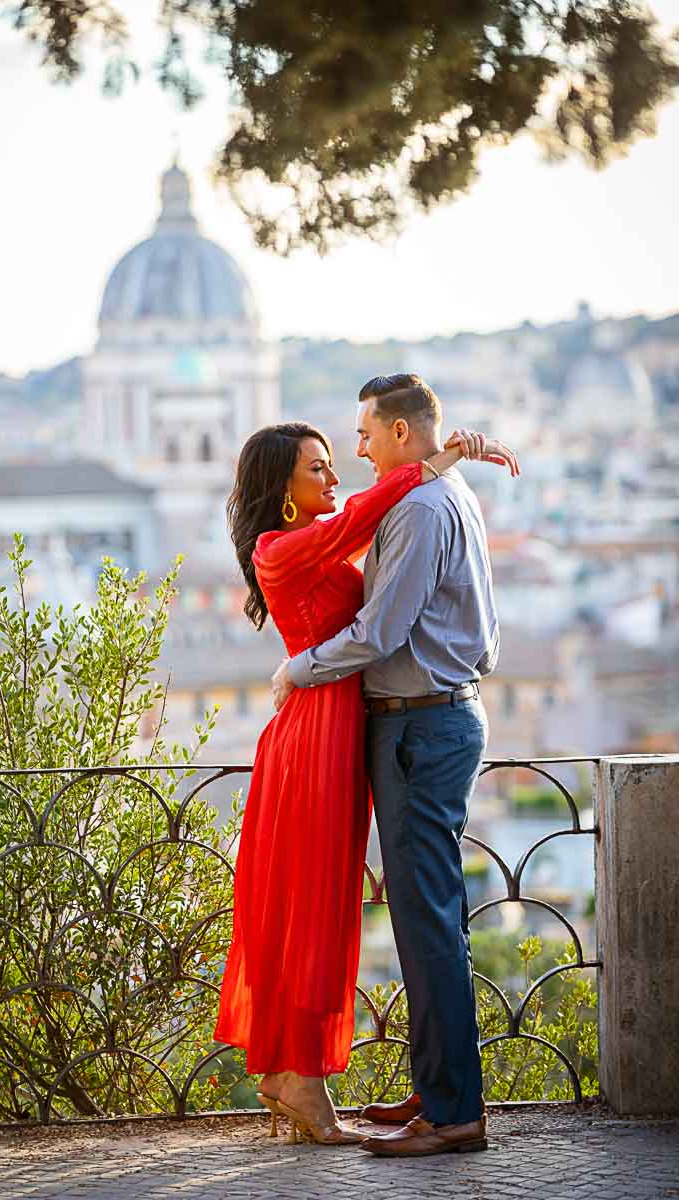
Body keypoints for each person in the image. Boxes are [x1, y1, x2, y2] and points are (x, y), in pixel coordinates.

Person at [215, 404, 518, 1147]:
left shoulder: (316, 537)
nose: (337, 469)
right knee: (315, 910)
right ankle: (302, 1079)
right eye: (317, 466)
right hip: (314, 737)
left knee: (332, 910)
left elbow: (369, 510)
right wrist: (444, 457)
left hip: (344, 730)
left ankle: (310, 1076)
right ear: (282, 488)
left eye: (339, 456)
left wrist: (444, 459)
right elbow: (373, 510)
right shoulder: (280, 549)